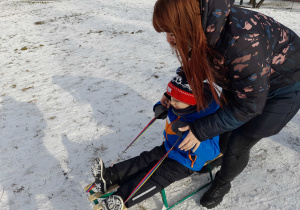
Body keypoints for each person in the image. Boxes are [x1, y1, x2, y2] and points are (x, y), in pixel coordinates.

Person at [152, 0, 300, 209]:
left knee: (240, 140)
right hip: (247, 79)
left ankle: (223, 182)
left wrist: (200, 130)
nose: (169, 40)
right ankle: (221, 157)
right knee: (225, 127)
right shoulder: (204, 26)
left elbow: (249, 106)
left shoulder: (243, 42)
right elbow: (195, 64)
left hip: (285, 86)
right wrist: (172, 93)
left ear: (188, 23)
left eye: (173, 32)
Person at [91, 69, 221, 210]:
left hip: (186, 162)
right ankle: (109, 177)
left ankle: (121, 199)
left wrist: (193, 140)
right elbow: (169, 104)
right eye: (171, 97)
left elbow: (213, 151)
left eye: (177, 100)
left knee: (157, 176)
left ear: (191, 101)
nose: (172, 102)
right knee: (144, 160)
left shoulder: (207, 121)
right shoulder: (178, 106)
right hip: (168, 148)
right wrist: (159, 108)